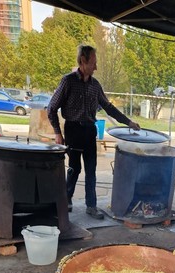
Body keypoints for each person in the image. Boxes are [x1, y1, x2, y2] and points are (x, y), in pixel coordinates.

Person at [48, 44, 140, 219]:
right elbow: (52, 108)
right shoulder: (68, 81)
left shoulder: (95, 85)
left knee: (91, 170)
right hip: (73, 129)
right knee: (74, 169)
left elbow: (108, 107)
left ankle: (92, 206)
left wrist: (128, 122)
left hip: (90, 130)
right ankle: (66, 201)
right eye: (93, 63)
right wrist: (57, 132)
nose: (96, 67)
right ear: (83, 61)